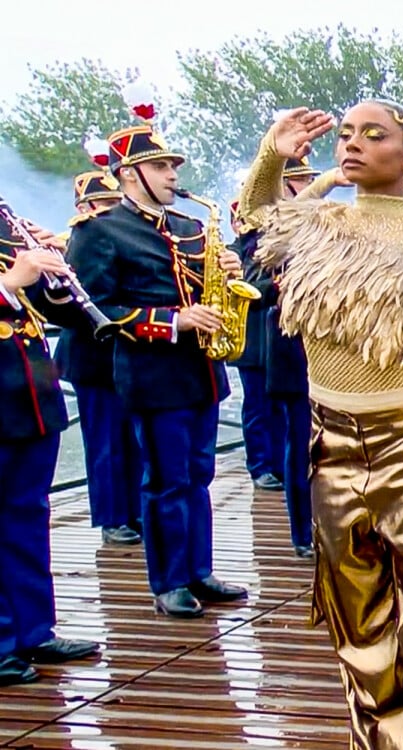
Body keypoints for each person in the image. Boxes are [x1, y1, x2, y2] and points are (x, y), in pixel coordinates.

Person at [238, 102, 403, 749]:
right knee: (359, 631)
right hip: (330, 449)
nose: (353, 144)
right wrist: (275, 152)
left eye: (373, 134)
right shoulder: (318, 225)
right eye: (347, 134)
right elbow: (255, 213)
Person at [69, 115, 249, 618]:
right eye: (161, 167)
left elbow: (202, 281)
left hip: (201, 372)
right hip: (152, 373)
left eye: (172, 166)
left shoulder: (190, 227)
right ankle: (168, 581)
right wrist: (172, 320)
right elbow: (95, 309)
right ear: (130, 174)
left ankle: (198, 569)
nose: (173, 175)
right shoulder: (101, 232)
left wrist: (229, 269)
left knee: (198, 474)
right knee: (166, 479)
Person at [0, 218, 102, 686]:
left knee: (27, 518)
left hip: (31, 401)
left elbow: (58, 314)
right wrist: (7, 284)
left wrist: (57, 274)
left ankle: (33, 630)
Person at [54, 166, 143, 544]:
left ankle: (134, 510)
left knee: (133, 438)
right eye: (104, 203)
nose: (111, 210)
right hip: (92, 357)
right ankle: (111, 517)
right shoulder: (76, 239)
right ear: (86, 205)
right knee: (105, 440)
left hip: (127, 355)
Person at [230, 156, 318, 493]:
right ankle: (260, 465)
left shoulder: (306, 230)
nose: (309, 187)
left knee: (286, 409)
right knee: (257, 406)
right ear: (285, 186)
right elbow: (254, 284)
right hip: (255, 336)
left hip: (286, 338)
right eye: (302, 180)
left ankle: (281, 464)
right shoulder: (255, 235)